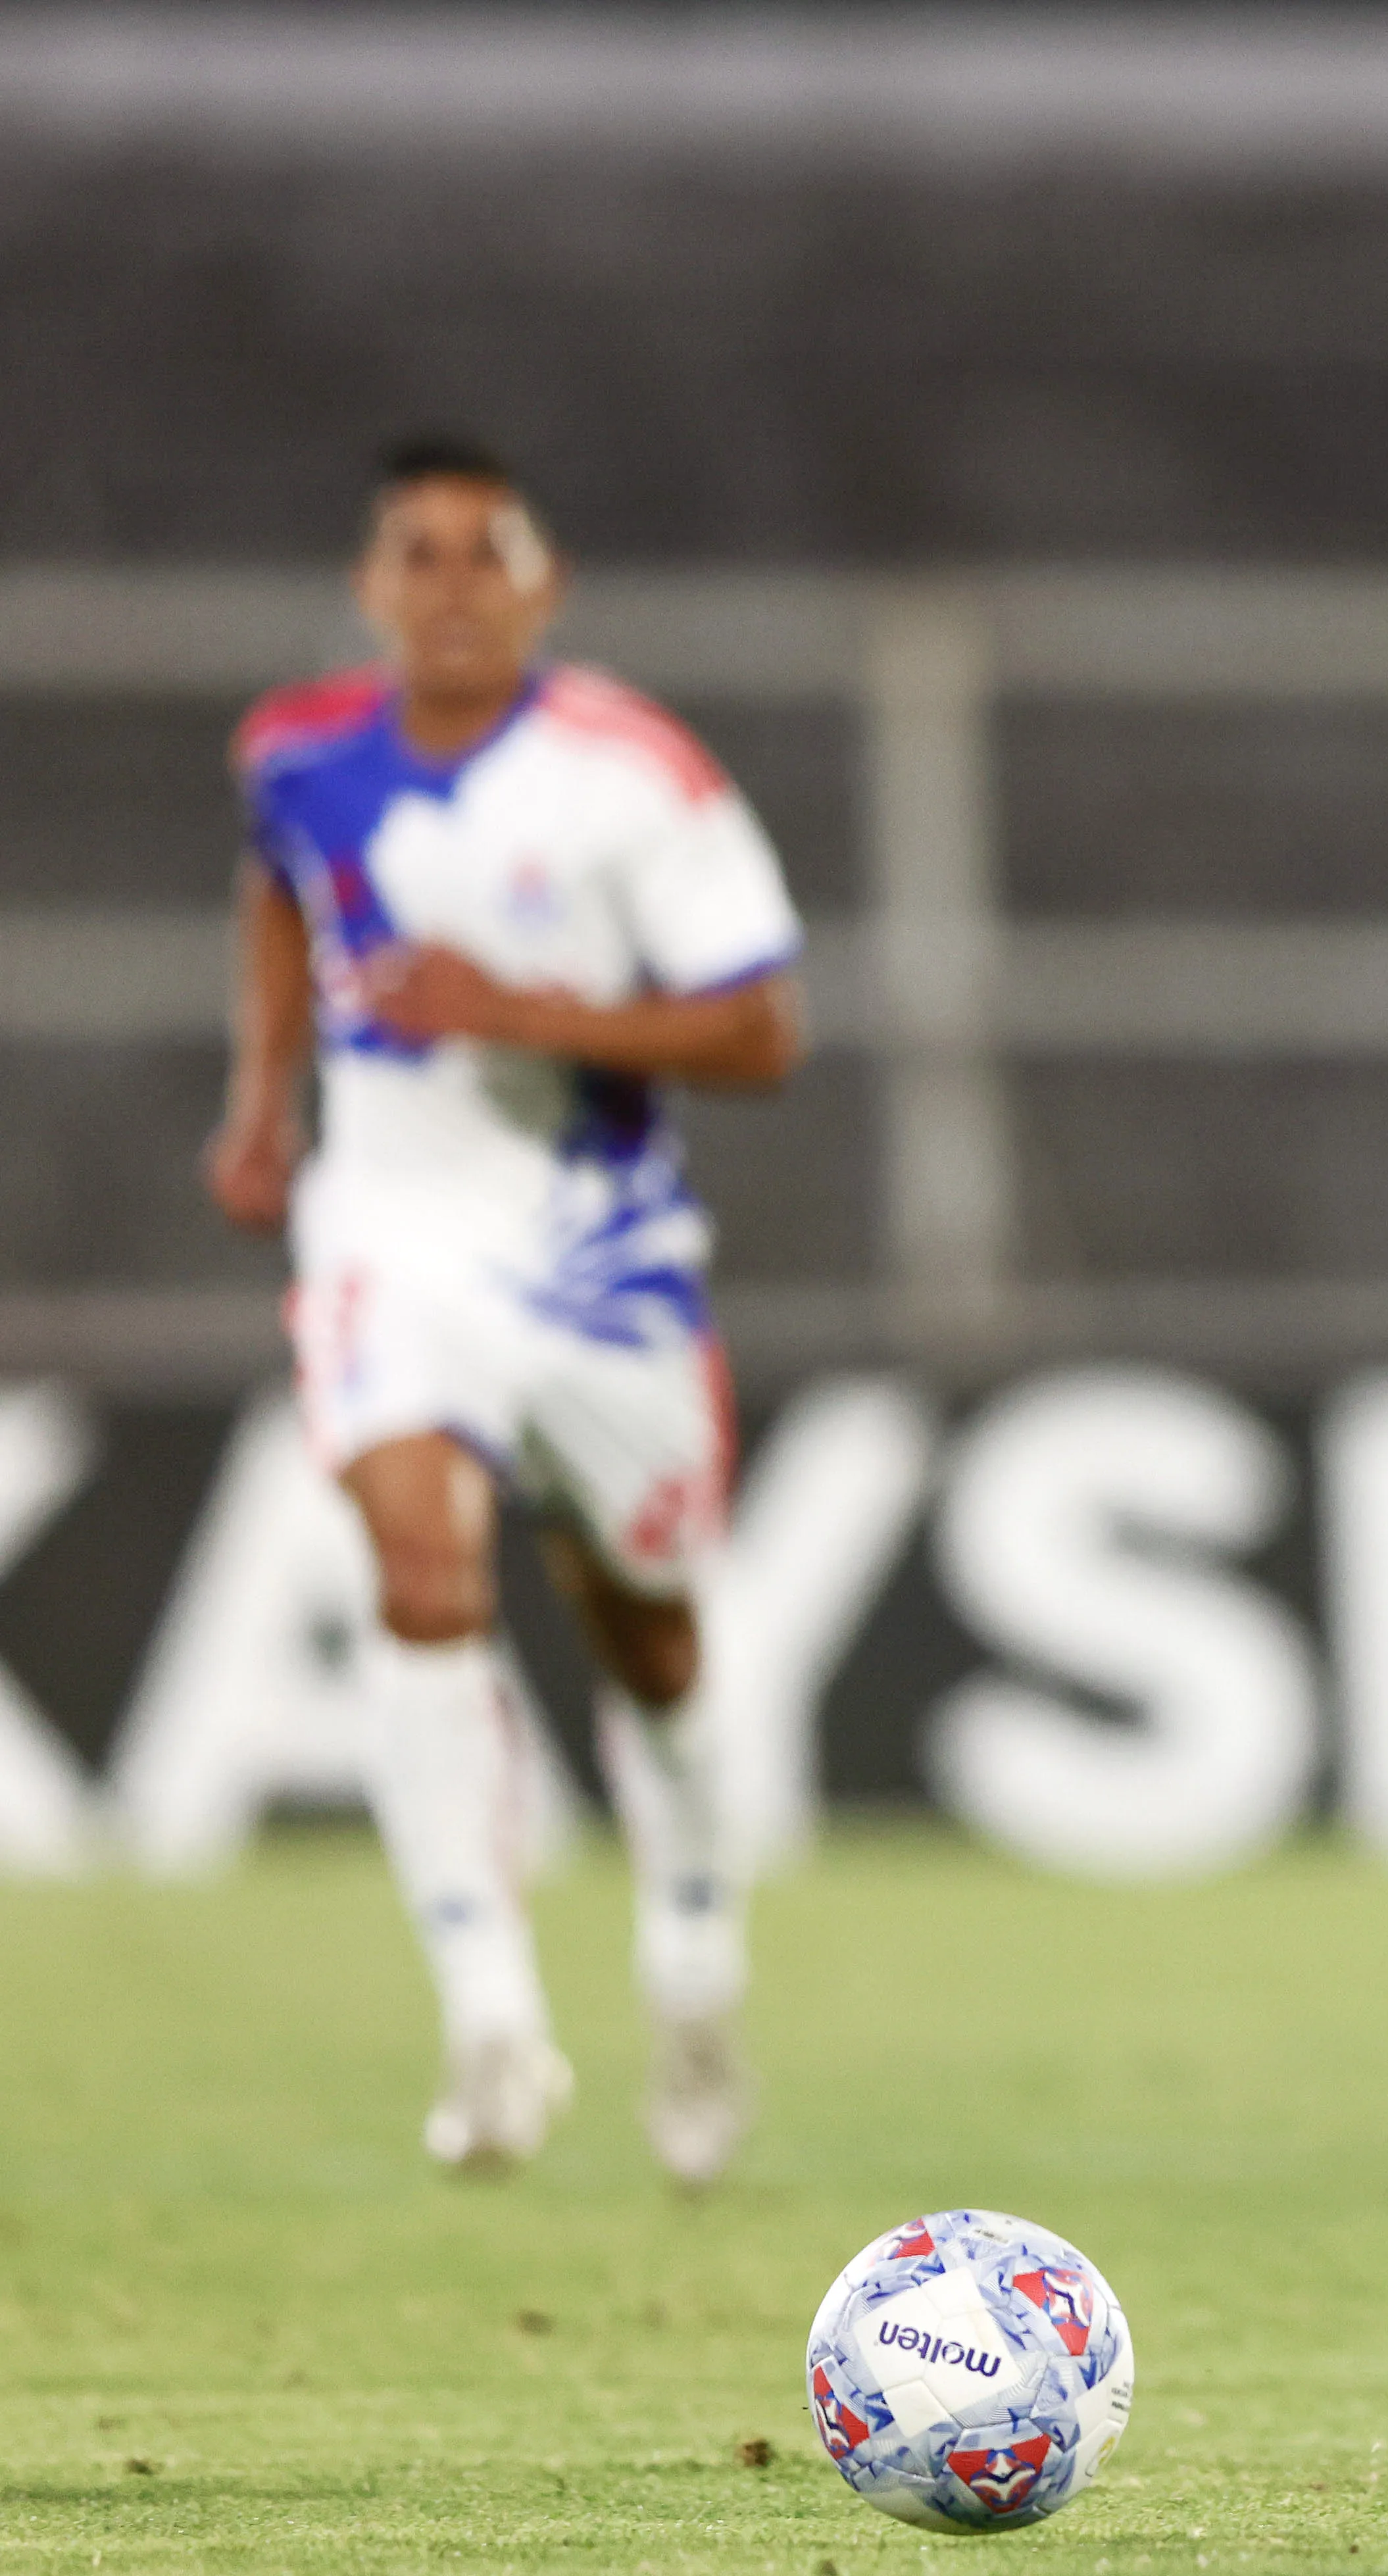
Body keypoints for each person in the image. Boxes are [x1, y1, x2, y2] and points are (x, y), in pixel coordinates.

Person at [205, 433, 805, 2185]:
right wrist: (262, 1102)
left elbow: (761, 1029)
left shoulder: (632, 775)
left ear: (542, 587)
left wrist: (518, 1010)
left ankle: (693, 1961)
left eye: (488, 553)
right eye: (420, 553)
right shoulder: (295, 753)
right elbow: (280, 894)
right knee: (418, 1568)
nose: (453, 583)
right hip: (388, 1232)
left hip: (599, 1256)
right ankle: (489, 2022)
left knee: (653, 1639)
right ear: (369, 585)